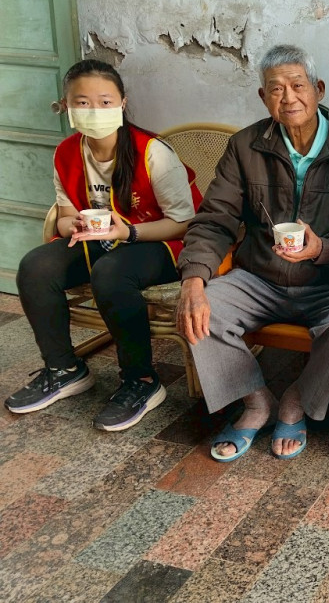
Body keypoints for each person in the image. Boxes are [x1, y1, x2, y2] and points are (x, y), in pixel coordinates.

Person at [176, 44, 329, 462]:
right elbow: (215, 217)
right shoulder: (245, 146)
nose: (288, 97)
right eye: (275, 89)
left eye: (297, 85)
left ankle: (296, 401)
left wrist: (322, 248)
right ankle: (255, 400)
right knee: (201, 308)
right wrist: (194, 280)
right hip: (260, 277)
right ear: (262, 97)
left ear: (319, 89)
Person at [6, 60, 200, 431]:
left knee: (111, 272)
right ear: (65, 106)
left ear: (123, 103)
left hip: (161, 240)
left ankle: (141, 380)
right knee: (36, 266)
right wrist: (74, 223)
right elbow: (64, 217)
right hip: (99, 239)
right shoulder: (66, 153)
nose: (94, 110)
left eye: (105, 101)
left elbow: (185, 221)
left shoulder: (152, 151)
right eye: (82, 102)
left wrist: (127, 233)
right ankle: (65, 369)